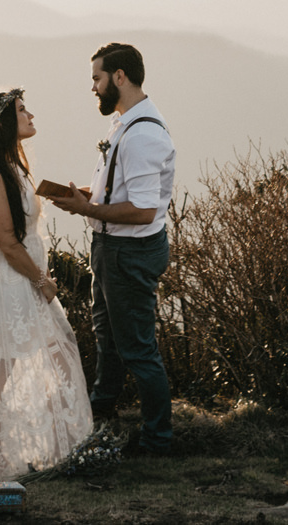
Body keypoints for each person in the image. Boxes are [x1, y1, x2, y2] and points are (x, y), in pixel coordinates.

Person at [49, 42, 176, 456]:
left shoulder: (142, 135)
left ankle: (158, 439)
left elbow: (142, 210)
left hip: (129, 253)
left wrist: (88, 207)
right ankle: (101, 414)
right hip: (112, 248)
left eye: (97, 79)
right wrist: (85, 198)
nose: (94, 88)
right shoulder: (125, 123)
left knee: (138, 348)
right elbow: (121, 192)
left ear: (119, 77)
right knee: (107, 336)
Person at [0, 87, 94, 480]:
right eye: (22, 110)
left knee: (57, 352)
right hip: (6, 279)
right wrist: (42, 281)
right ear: (5, 122)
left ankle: (64, 445)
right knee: (0, 370)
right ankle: (0, 463)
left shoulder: (10, 164)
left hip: (21, 275)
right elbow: (5, 241)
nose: (31, 115)